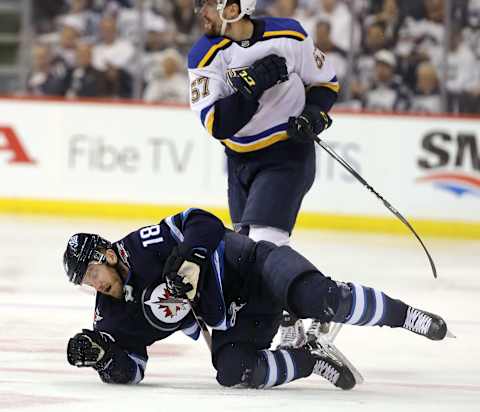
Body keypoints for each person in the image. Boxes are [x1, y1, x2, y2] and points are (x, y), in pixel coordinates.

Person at [63, 208, 449, 389]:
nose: (94, 284)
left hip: (253, 264)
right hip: (235, 314)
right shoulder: (110, 314)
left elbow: (203, 221)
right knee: (232, 371)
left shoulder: (143, 245)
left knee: (321, 298)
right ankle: (310, 359)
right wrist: (103, 358)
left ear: (108, 255)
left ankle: (405, 316)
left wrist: (193, 258)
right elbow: (132, 367)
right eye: (86, 282)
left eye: (93, 273)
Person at [187, 0, 339, 348]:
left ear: (237, 7)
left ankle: (319, 306)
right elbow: (218, 124)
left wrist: (314, 116)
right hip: (239, 162)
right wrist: (251, 88)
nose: (202, 13)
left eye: (210, 5)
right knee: (247, 253)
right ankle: (310, 312)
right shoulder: (205, 55)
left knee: (266, 242)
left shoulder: (289, 35)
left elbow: (326, 84)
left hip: (287, 155)